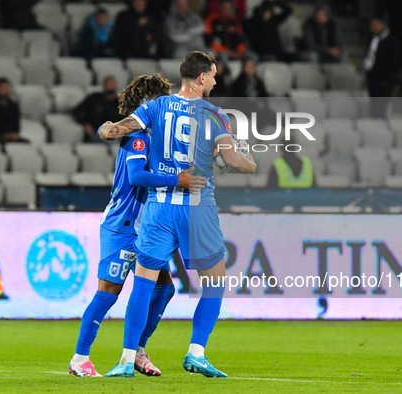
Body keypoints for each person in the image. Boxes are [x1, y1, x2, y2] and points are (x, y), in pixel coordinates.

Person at [98, 51, 256, 378]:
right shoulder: (214, 114)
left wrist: (106, 129)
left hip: (158, 208)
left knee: (144, 283)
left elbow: (117, 130)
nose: (214, 81)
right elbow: (235, 162)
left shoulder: (156, 107)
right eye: (212, 76)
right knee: (214, 283)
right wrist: (250, 162)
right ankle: (196, 352)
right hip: (197, 208)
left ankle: (127, 358)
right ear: (200, 78)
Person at [69, 74, 206, 377]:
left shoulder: (159, 139)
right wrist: (176, 180)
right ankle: (80, 358)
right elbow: (136, 177)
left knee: (163, 289)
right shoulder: (138, 137)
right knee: (108, 292)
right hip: (123, 224)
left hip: (147, 227)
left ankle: (138, 351)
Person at [364, 18, 400, 119]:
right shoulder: (372, 38)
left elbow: (393, 63)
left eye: (375, 25)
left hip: (384, 80)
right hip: (373, 77)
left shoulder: (392, 41)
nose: (372, 27)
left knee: (381, 107)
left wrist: (388, 79)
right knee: (373, 107)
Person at [71, 76, 123, 143]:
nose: (112, 86)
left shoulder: (118, 103)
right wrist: (86, 124)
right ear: (104, 85)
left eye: (113, 84)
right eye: (109, 84)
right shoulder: (95, 98)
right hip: (95, 133)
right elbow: (77, 111)